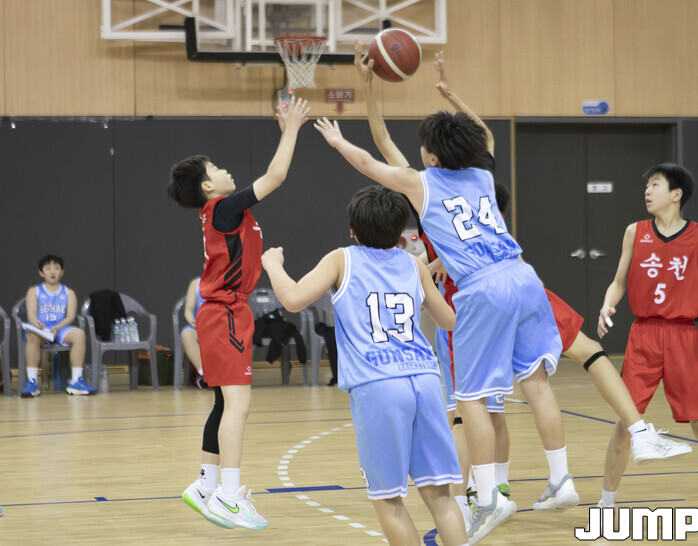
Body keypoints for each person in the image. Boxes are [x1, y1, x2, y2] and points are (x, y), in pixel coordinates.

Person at [316, 94, 570, 544]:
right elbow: (485, 136)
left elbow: (369, 162)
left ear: (432, 155)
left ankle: (486, 497)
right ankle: (561, 477)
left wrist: (337, 142)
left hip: (481, 288)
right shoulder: (483, 175)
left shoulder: (421, 183)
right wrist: (453, 98)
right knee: (536, 382)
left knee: (469, 400)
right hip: (523, 275)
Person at [261, 185, 467, 545]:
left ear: (353, 229)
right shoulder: (412, 264)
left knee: (389, 500)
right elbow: (448, 320)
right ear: (399, 233)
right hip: (425, 378)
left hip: (379, 384)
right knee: (441, 496)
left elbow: (292, 299)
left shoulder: (342, 259)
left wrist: (272, 265)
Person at [170, 97, 310, 530]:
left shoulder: (227, 212)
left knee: (223, 402)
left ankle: (206, 485)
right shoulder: (223, 208)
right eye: (216, 168)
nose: (224, 169)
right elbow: (277, 175)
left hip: (226, 312)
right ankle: (229, 497)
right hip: (225, 314)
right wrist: (292, 129)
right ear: (207, 186)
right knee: (239, 404)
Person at [597, 163, 698, 512]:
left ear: (676, 194)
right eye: (647, 186)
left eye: (655, 185)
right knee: (624, 425)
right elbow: (618, 281)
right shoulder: (634, 231)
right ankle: (606, 504)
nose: (647, 191)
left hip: (683, 337)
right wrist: (607, 304)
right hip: (643, 336)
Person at [22, 255, 94, 397]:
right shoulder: (34, 291)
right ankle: (32, 382)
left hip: (60, 328)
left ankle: (76, 382)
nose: (53, 271)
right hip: (41, 329)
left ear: (62, 272)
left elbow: (70, 317)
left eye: (56, 268)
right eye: (48, 268)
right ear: (41, 273)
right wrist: (37, 324)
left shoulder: (69, 292)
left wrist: (57, 327)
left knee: (79, 334)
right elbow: (31, 315)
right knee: (31, 336)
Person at [181, 274, 208, 389]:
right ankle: (205, 375)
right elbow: (188, 310)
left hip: (219, 328)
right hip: (198, 327)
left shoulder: (226, 282)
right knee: (187, 334)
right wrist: (193, 322)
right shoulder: (196, 284)